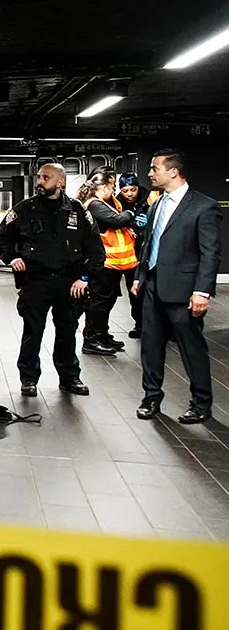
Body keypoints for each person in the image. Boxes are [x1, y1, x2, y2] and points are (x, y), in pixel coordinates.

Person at [0, 163, 105, 397]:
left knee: (67, 331)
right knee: (33, 331)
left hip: (69, 283)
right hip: (36, 281)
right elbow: (1, 237)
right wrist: (11, 258)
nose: (40, 181)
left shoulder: (77, 211)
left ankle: (69, 377)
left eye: (46, 177)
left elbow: (95, 249)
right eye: (39, 177)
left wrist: (85, 277)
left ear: (60, 182)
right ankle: (28, 378)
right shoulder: (24, 209)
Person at [132, 149, 221, 424]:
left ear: (173, 171)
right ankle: (151, 397)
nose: (149, 174)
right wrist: (139, 276)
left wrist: (202, 291)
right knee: (151, 345)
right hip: (152, 285)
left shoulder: (203, 206)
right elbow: (148, 244)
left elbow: (210, 252)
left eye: (154, 168)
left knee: (191, 347)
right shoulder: (156, 203)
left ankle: (201, 403)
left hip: (184, 291)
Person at [80, 167, 138, 356]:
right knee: (99, 301)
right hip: (104, 263)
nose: (113, 191)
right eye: (112, 187)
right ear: (103, 186)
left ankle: (102, 335)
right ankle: (92, 339)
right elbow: (116, 220)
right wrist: (130, 214)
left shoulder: (102, 203)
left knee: (107, 299)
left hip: (110, 263)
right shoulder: (94, 204)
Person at [116, 172, 151, 338]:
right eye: (125, 190)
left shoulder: (151, 199)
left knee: (152, 292)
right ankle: (140, 324)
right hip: (130, 255)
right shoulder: (117, 204)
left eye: (133, 189)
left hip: (150, 254)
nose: (130, 193)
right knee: (134, 292)